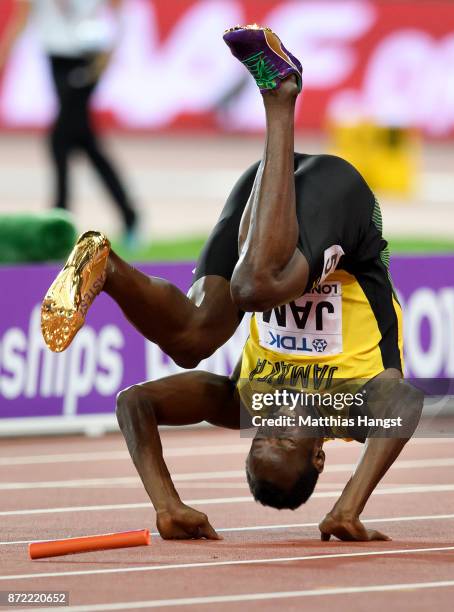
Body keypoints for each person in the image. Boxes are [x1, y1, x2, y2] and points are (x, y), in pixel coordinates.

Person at [40, 25, 423, 542]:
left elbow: (136, 402)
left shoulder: (249, 402)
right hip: (342, 205)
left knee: (192, 340)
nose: (271, 421)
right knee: (255, 288)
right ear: (318, 452)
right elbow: (405, 401)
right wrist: (347, 507)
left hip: (266, 199)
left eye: (258, 436)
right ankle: (280, 94)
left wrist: (166, 503)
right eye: (282, 438)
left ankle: (105, 266)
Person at [0, 0, 138, 241]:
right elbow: (21, 19)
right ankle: (129, 216)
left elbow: (120, 13)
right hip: (56, 60)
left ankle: (59, 221)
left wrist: (111, 51)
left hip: (87, 57)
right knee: (85, 141)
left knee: (59, 139)